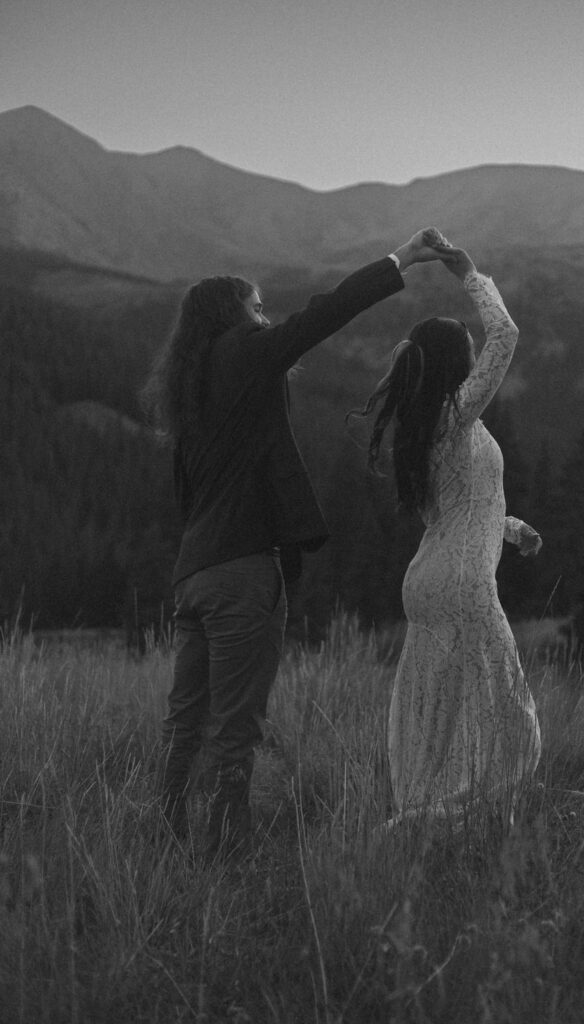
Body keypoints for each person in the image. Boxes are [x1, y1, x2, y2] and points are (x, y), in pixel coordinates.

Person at [141, 227, 457, 861]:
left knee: (185, 725)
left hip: (193, 578)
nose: (264, 319)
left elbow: (187, 497)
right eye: (256, 308)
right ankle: (228, 861)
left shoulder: (189, 387)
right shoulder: (245, 353)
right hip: (240, 577)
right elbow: (324, 314)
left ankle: (164, 843)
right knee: (235, 732)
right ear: (233, 317)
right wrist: (402, 258)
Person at [354, 245, 542, 828]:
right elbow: (506, 334)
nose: (474, 347)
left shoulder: (422, 425)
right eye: (465, 344)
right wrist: (468, 274)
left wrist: (511, 531)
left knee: (436, 714)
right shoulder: (456, 413)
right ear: (455, 362)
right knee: (509, 716)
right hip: (462, 584)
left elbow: (455, 512)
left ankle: (423, 816)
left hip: (428, 581)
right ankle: (445, 824)